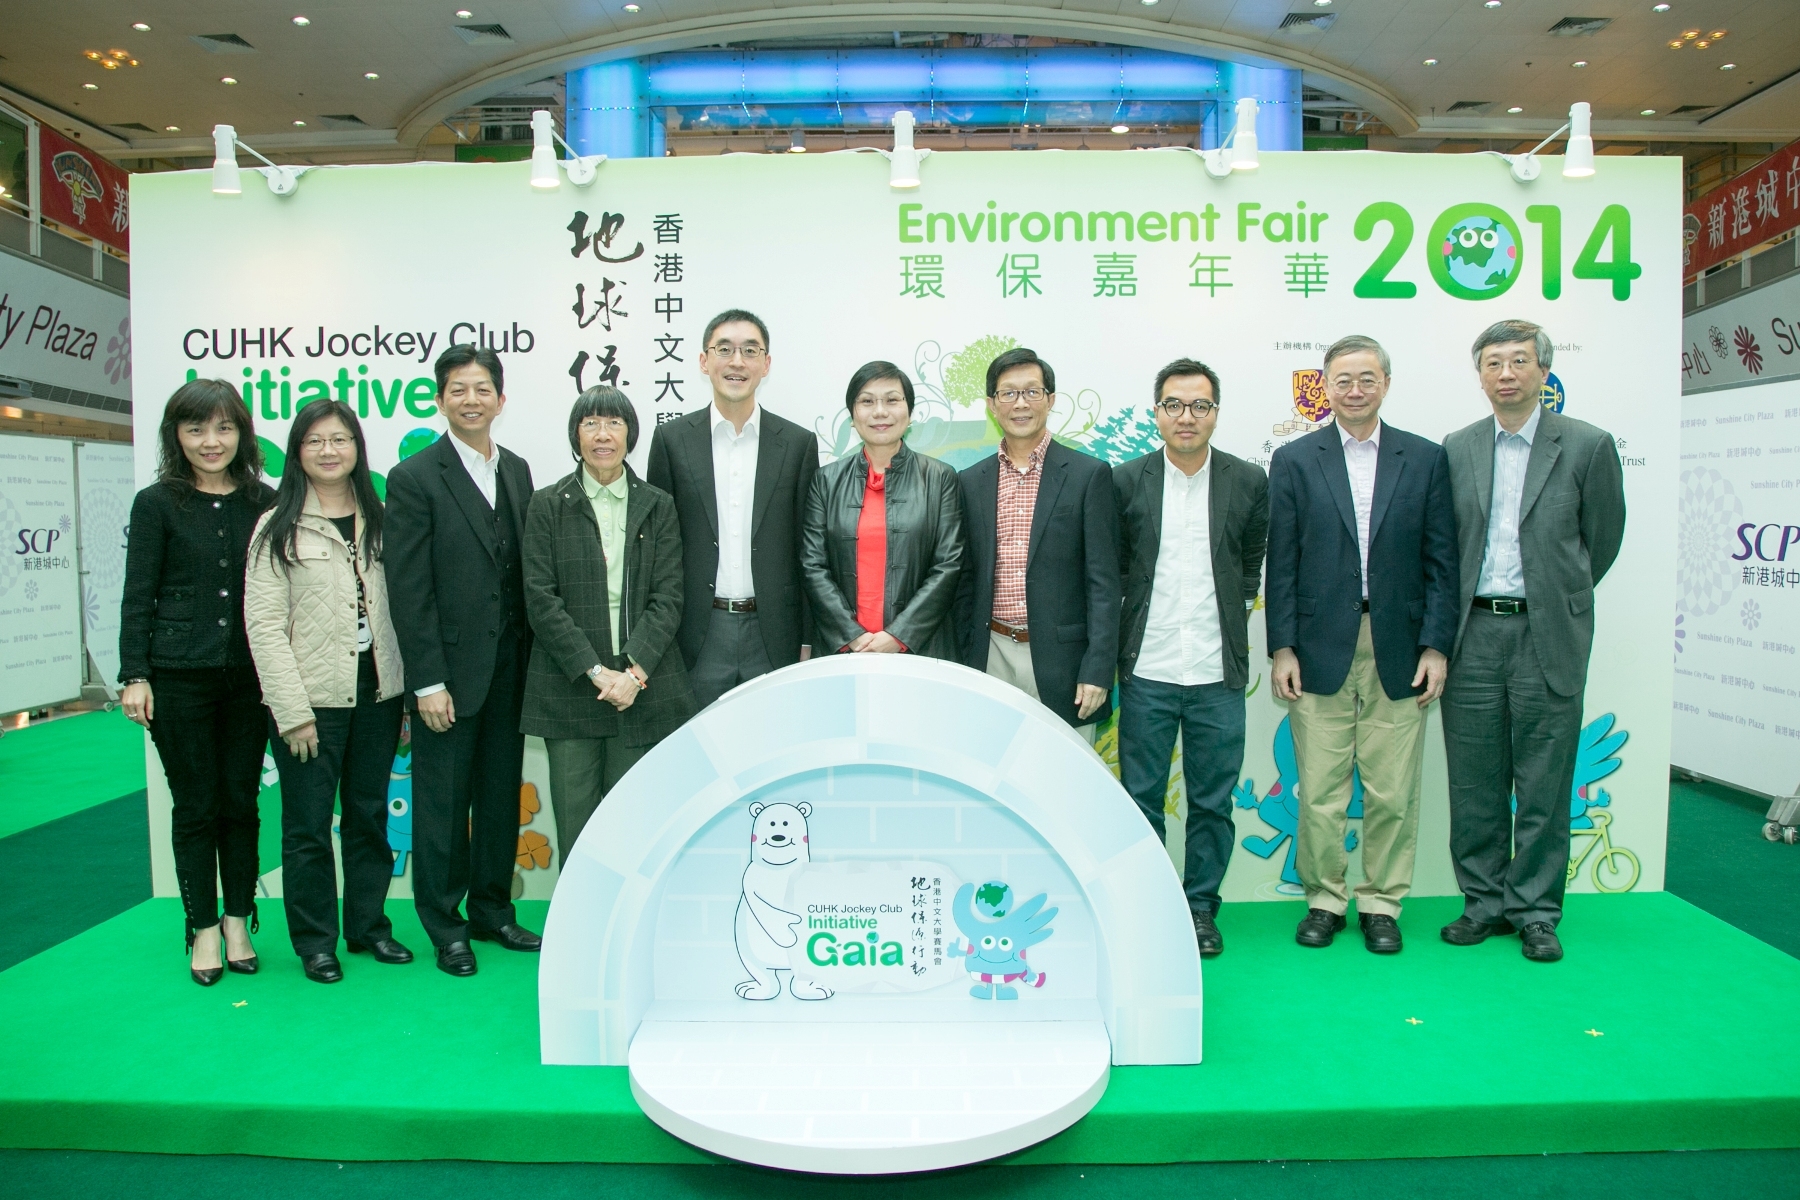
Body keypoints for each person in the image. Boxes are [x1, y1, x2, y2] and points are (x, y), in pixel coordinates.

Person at [1439, 320, 1626, 964]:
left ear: (1544, 372)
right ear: (1481, 375)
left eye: (1519, 361)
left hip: (1548, 632)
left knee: (1545, 781)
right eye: (1493, 363)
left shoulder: (1587, 445)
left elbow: (1600, 541)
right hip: (1472, 636)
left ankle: (1537, 910)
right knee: (1474, 780)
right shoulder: (1457, 447)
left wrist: (1553, 594)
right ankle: (1483, 902)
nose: (1506, 373)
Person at [1266, 335, 1459, 954]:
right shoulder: (1295, 460)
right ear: (1325, 386)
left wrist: (1436, 645)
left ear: (1386, 382)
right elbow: (1283, 564)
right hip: (1319, 644)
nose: (1354, 389)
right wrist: (1282, 647)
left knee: (1392, 789)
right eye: (1342, 379)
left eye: (1366, 378)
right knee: (1320, 789)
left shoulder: (1425, 458)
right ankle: (1325, 898)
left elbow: (1441, 562)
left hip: (1399, 643)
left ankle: (1382, 903)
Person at [385, 345, 539, 977]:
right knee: (443, 803)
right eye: (458, 389)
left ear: (501, 400)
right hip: (445, 675)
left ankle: (492, 911)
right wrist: (427, 681)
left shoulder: (520, 470)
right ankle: (446, 926)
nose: (471, 399)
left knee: (500, 795)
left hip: (512, 667)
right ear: (440, 399)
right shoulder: (415, 477)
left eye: (483, 389)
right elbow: (409, 588)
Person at [245, 400, 410, 984]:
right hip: (309, 703)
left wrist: (406, 694)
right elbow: (263, 626)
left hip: (378, 697)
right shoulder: (278, 525)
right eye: (315, 441)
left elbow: (402, 613)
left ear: (358, 448)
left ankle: (368, 928)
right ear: (296, 453)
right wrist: (291, 712)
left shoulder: (383, 517)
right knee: (308, 825)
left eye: (340, 439)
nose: (329, 451)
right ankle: (316, 942)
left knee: (367, 816)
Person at [118, 379, 273, 986]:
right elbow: (138, 595)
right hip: (178, 678)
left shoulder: (266, 500)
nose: (212, 442)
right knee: (196, 807)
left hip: (250, 680)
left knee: (241, 802)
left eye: (224, 428)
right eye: (196, 429)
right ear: (175, 436)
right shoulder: (156, 503)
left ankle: (239, 920)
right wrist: (136, 673)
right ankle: (202, 929)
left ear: (242, 433)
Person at [1113, 359, 1269, 957]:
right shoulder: (1126, 480)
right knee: (1141, 798)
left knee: (1212, 801)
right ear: (1156, 412)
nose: (1186, 416)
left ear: (1215, 413)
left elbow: (1250, 562)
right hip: (1148, 668)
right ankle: (1151, 904)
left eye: (1199, 406)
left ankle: (1201, 907)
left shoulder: (1248, 481)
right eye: (1174, 405)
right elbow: (1118, 567)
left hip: (1216, 672)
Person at [521, 386, 697, 866]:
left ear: (630, 434)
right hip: (571, 687)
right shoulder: (547, 504)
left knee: (634, 824)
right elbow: (541, 599)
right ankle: (578, 935)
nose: (603, 435)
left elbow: (669, 596)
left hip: (642, 687)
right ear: (575, 436)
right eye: (591, 423)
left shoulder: (657, 504)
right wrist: (597, 672)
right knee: (577, 827)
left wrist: (633, 674)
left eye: (614, 423)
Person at [646, 309, 819, 707]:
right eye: (724, 349)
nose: (737, 361)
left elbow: (807, 549)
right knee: (697, 757)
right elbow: (655, 549)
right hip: (696, 634)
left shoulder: (796, 444)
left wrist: (808, 638)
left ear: (766, 364)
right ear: (704, 361)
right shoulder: (671, 442)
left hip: (773, 633)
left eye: (750, 350)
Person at [955, 348, 1119, 740]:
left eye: (1032, 391)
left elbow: (1104, 584)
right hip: (990, 653)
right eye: (1008, 394)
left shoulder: (1088, 475)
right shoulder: (970, 480)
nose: (1020, 403)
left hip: (1064, 662)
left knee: (1064, 784)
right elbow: (962, 581)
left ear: (1051, 400)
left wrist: (1097, 669)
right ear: (992, 405)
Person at [801, 361, 965, 659]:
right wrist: (852, 635)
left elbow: (948, 565)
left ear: (909, 412)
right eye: (867, 401)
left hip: (921, 649)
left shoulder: (940, 477)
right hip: (846, 649)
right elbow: (813, 565)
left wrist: (898, 635)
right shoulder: (826, 480)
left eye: (892, 400)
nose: (880, 411)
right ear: (852, 415)